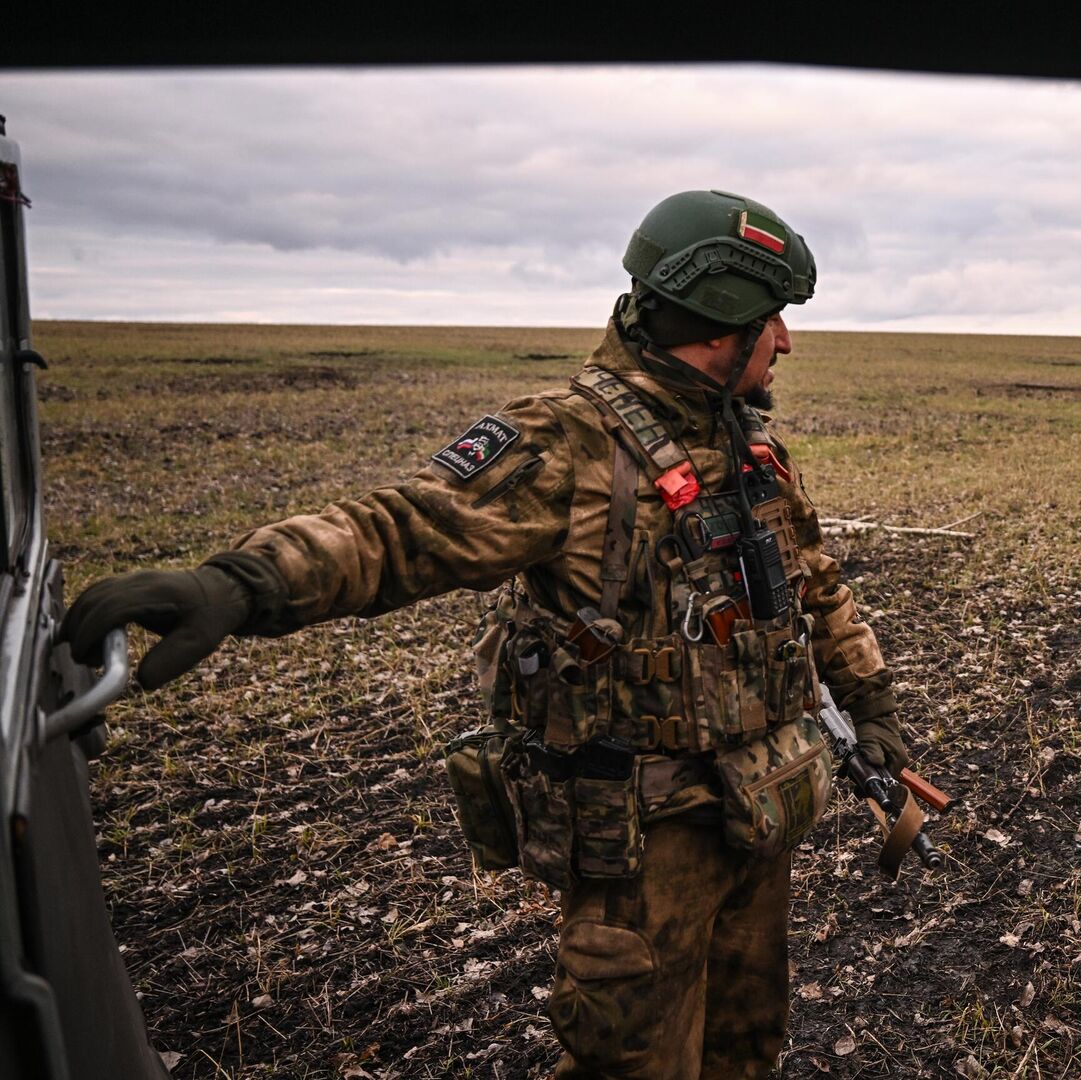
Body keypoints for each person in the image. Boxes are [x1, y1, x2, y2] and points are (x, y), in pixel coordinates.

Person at [62, 190, 912, 1079]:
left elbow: (815, 590)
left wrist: (871, 701)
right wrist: (241, 584)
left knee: (748, 1051)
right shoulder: (572, 442)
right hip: (643, 845)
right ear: (724, 317)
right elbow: (405, 530)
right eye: (773, 319)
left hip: (759, 819)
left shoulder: (749, 450)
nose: (786, 342)